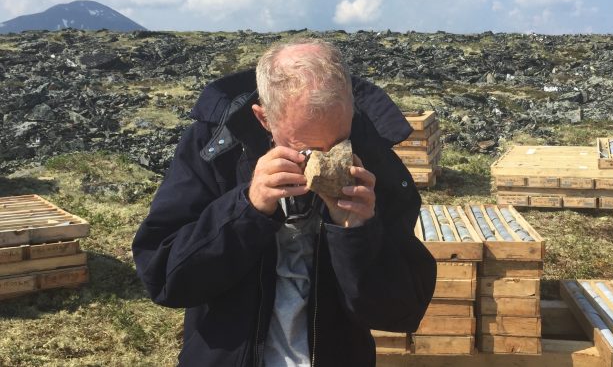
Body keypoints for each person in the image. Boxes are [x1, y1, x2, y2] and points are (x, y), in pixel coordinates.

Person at [132, 38, 436, 367]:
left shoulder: (374, 160)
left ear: (350, 106)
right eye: (305, 148)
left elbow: (401, 312)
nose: (322, 158)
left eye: (339, 142)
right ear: (264, 119)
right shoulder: (214, 150)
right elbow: (165, 280)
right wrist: (247, 209)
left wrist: (358, 234)